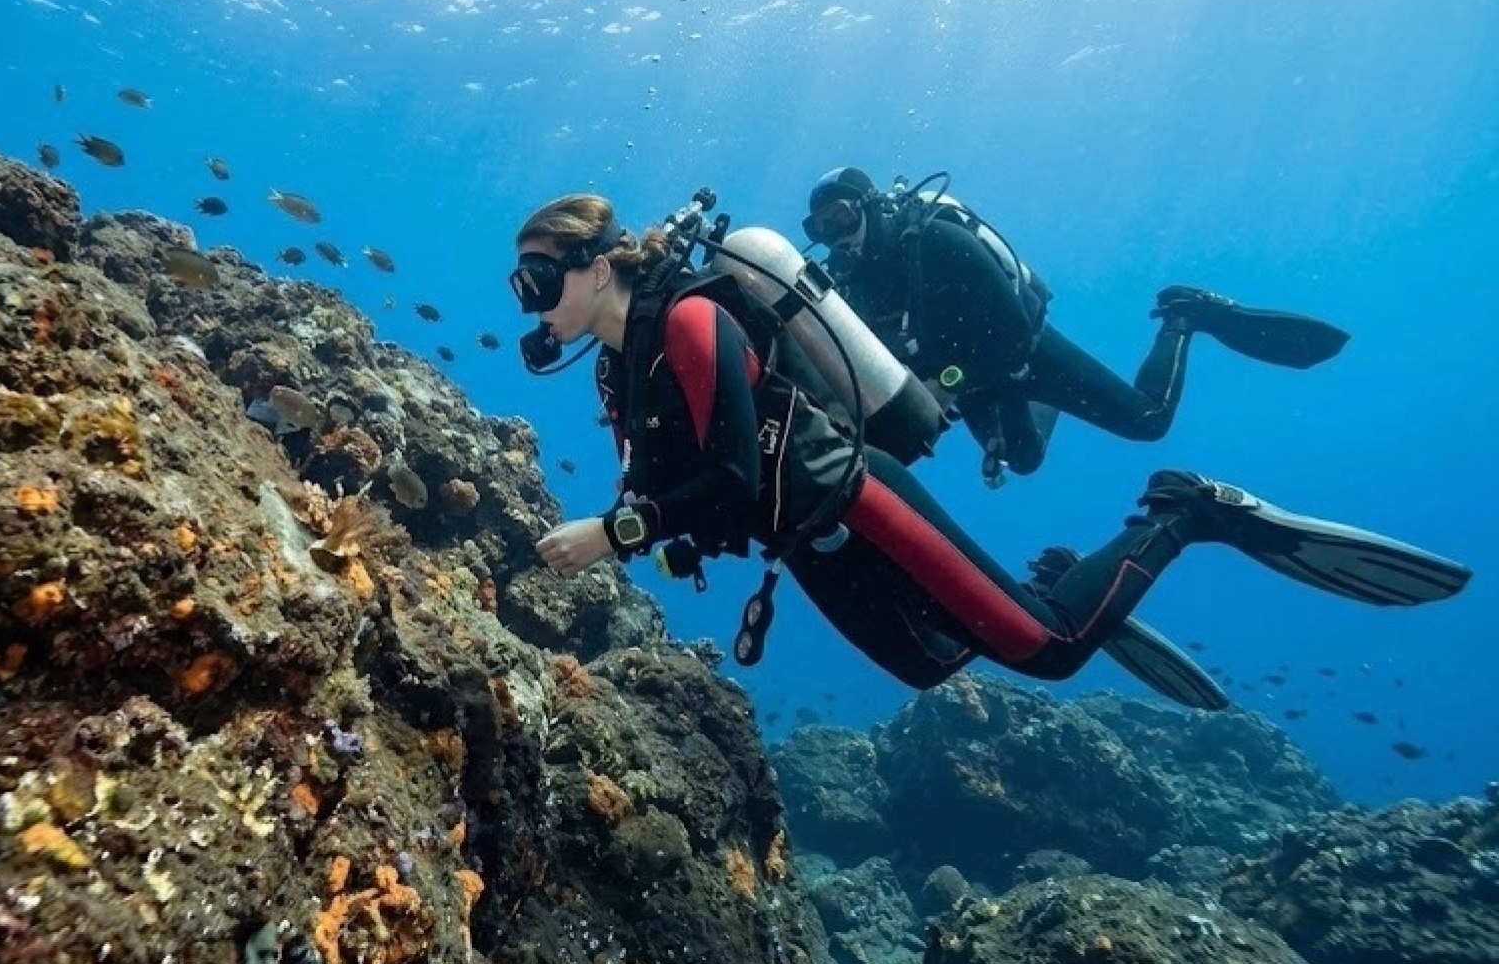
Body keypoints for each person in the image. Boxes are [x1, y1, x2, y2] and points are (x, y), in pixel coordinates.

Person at [512, 193, 1470, 709]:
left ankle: (1185, 510)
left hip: (850, 500)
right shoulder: (616, 370)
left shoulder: (686, 322)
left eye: (541, 274)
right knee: (933, 663)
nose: (532, 295)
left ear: (599, 265)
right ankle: (1052, 578)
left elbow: (728, 474)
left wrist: (620, 531)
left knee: (1045, 651)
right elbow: (702, 492)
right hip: (805, 541)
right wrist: (662, 528)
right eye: (524, 282)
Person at [800, 167, 1352, 485]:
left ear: (870, 206)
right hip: (969, 377)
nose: (835, 236)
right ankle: (1035, 406)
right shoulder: (854, 284)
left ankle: (1186, 317)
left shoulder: (935, 242)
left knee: (1149, 422)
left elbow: (1012, 330)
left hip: (1025, 352)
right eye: (820, 228)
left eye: (842, 218)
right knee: (1025, 461)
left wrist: (947, 384)